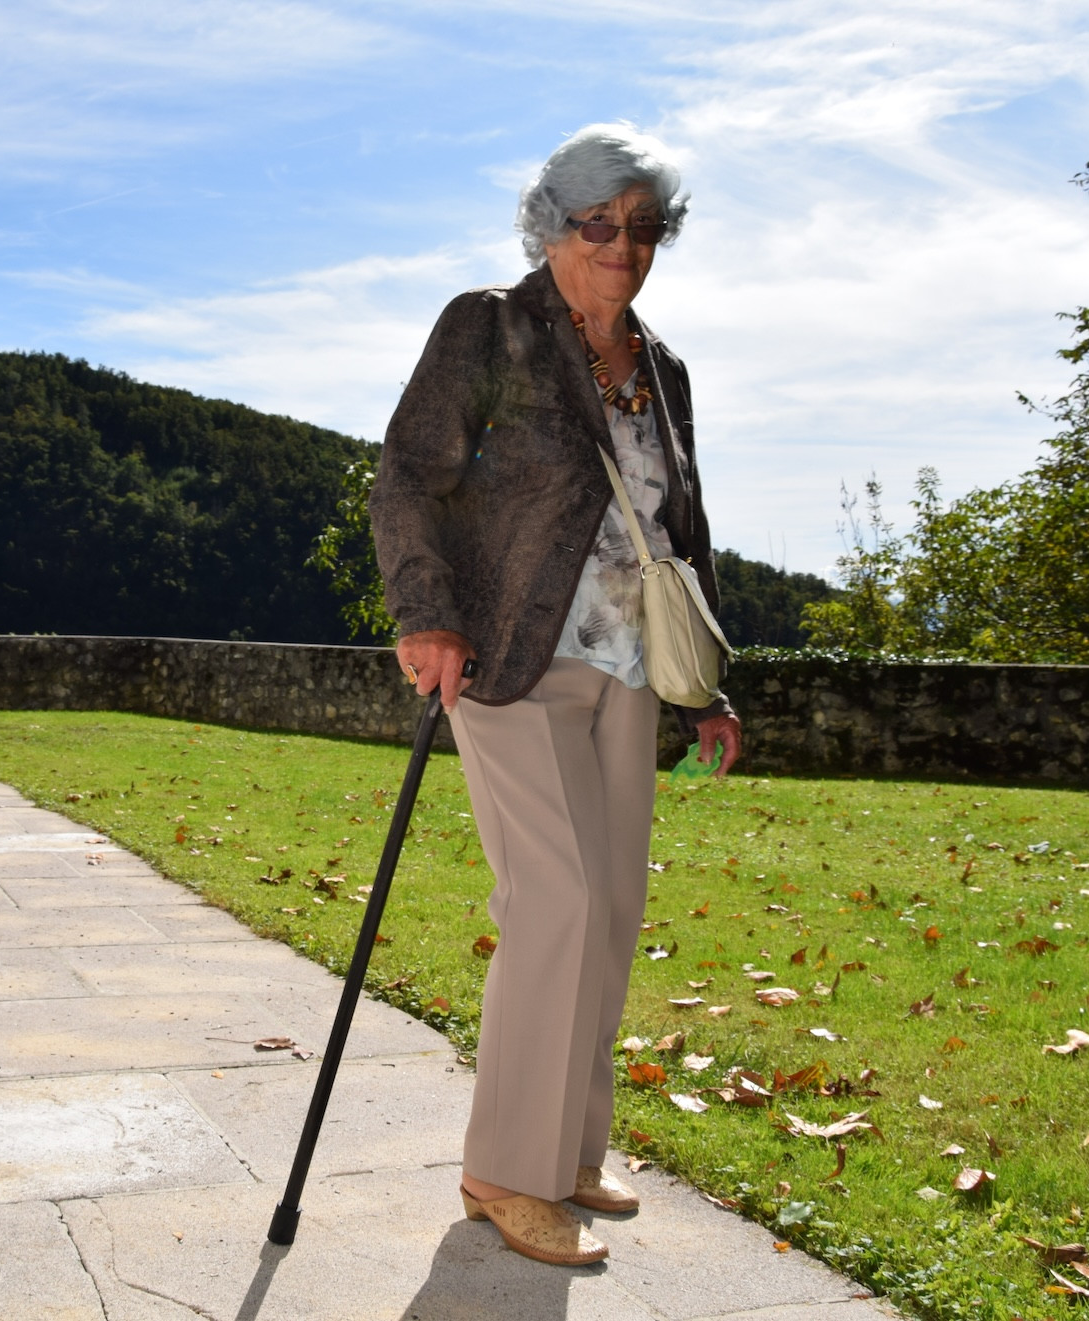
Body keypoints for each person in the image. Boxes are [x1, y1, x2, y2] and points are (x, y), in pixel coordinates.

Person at [370, 123, 741, 1267]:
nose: (622, 246)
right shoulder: (489, 326)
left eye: (643, 227)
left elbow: (682, 528)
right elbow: (409, 474)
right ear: (551, 226)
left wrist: (708, 687)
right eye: (598, 224)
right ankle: (505, 1170)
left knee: (613, 907)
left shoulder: (662, 366)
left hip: (631, 667)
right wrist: (426, 614)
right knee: (558, 898)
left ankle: (571, 1147)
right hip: (512, 657)